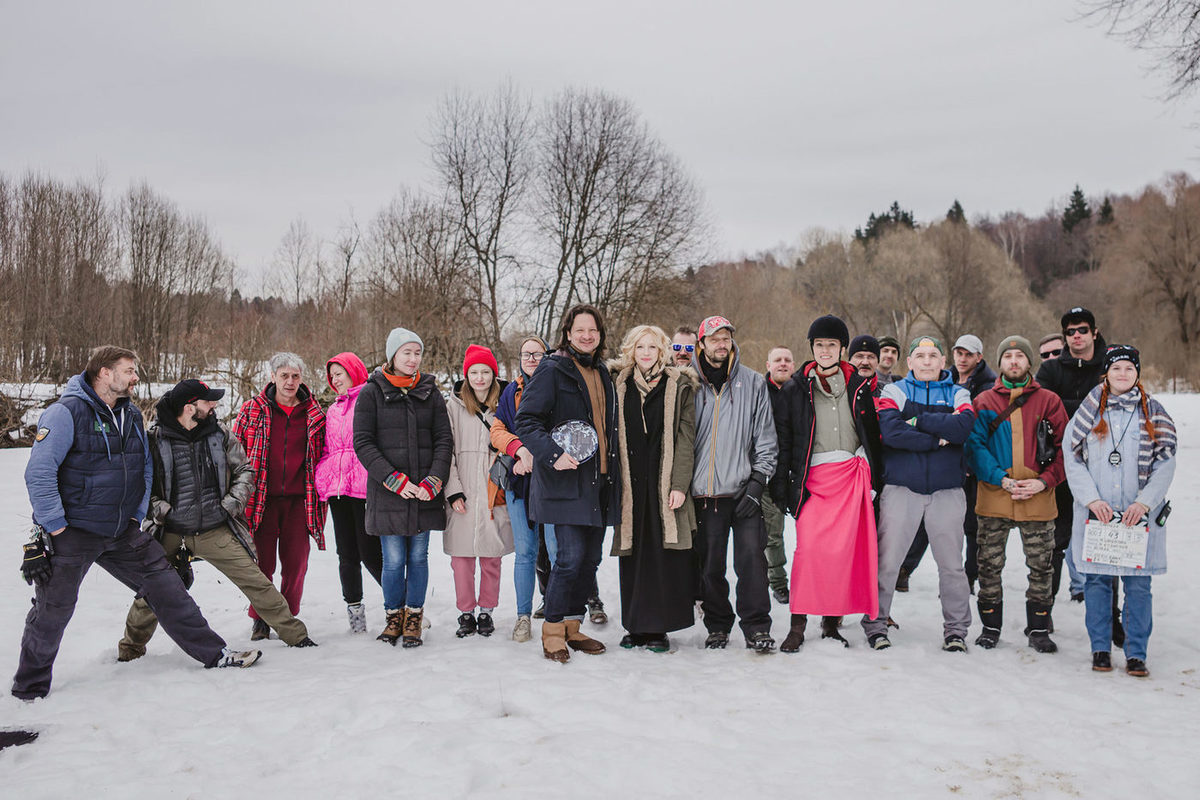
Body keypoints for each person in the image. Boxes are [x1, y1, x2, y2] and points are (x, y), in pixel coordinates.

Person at [15, 347, 259, 700]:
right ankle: (29, 687)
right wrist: (54, 525)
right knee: (54, 610)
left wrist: (136, 512)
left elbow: (144, 466)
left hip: (121, 530)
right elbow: (39, 473)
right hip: (73, 531)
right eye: (128, 370)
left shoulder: (129, 413)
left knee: (168, 586)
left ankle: (215, 654)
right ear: (104, 373)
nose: (135, 377)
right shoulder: (66, 412)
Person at [118, 380, 316, 660]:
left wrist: (230, 506)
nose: (214, 406)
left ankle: (297, 636)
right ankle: (130, 649)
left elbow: (245, 470)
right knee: (152, 590)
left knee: (256, 581)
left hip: (215, 528)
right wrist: (163, 511)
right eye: (208, 402)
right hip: (170, 531)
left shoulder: (219, 434)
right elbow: (140, 486)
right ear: (190, 408)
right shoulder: (154, 439)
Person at [515, 304, 619, 662]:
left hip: (598, 481)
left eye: (593, 330)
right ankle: (553, 630)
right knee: (569, 559)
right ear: (568, 333)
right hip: (564, 482)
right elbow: (526, 421)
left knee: (590, 560)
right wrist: (552, 453)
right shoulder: (552, 370)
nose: (587, 336)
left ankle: (573, 627)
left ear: (600, 335)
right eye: (580, 330)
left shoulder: (603, 372)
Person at [1065, 345, 1176, 677]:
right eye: (1116, 369)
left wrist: (1144, 502)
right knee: (1097, 581)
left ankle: (1136, 652)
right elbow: (1072, 456)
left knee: (1138, 585)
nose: (1123, 374)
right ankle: (1100, 647)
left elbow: (1165, 461)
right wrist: (1091, 500)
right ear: (1107, 373)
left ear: (1137, 374)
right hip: (1098, 513)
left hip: (1137, 516)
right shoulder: (1089, 411)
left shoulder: (1153, 412)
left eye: (1129, 369)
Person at [774, 316, 883, 651]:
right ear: (812, 348)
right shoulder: (795, 388)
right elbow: (785, 441)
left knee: (842, 555)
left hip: (850, 478)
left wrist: (873, 471)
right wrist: (784, 487)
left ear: (842, 349)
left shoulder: (858, 387)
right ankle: (797, 623)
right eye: (819, 345)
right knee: (809, 554)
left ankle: (831, 624)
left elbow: (873, 433)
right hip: (814, 481)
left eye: (831, 345)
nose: (825, 350)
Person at [861, 337, 975, 652]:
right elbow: (890, 432)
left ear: (942, 361)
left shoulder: (958, 392)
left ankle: (956, 630)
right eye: (920, 356)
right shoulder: (895, 391)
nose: (926, 361)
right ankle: (876, 624)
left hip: (947, 490)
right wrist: (936, 438)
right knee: (888, 561)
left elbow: (963, 427)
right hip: (901, 488)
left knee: (952, 565)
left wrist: (918, 421)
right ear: (909, 362)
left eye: (933, 356)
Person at [966, 335, 1069, 653]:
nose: (1014, 361)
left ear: (1029, 362)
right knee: (989, 565)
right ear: (1000, 363)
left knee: (1041, 565)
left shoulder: (1049, 400)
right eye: (1008, 356)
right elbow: (974, 446)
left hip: (1037, 496)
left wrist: (1045, 481)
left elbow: (1067, 449)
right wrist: (1001, 478)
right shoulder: (984, 401)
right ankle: (990, 627)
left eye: (1019, 356)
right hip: (995, 495)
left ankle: (1039, 628)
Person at [354, 328, 451, 647]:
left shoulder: (430, 392)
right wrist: (394, 480)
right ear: (392, 355)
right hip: (389, 493)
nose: (412, 359)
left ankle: (414, 619)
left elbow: (443, 440)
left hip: (424, 492)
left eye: (417, 353)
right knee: (393, 559)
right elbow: (363, 443)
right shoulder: (372, 392)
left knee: (419, 557)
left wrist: (433, 481)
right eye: (406, 353)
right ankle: (393, 617)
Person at [690, 315, 777, 652]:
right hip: (705, 494)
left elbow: (766, 439)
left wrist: (757, 483)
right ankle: (717, 624)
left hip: (743, 492)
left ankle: (756, 626)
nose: (721, 344)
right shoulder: (687, 385)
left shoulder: (753, 382)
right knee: (710, 566)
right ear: (702, 344)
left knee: (752, 563)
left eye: (726, 338)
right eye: (714, 339)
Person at [610, 325, 698, 652]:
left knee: (663, 556)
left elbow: (686, 440)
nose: (646, 353)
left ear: (662, 351)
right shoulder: (618, 385)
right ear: (631, 350)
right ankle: (635, 626)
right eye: (640, 347)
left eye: (653, 347)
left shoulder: (680, 385)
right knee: (633, 555)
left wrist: (679, 485)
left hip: (664, 481)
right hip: (630, 482)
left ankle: (659, 628)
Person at [233, 352, 327, 641]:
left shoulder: (315, 415)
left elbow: (324, 456)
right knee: (261, 564)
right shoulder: (252, 411)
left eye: (295, 376)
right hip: (261, 498)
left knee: (296, 562)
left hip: (301, 501)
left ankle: (287, 615)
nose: (290, 382)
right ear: (272, 377)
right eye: (284, 375)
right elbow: (233, 453)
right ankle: (260, 617)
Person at [899, 334, 997, 592]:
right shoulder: (944, 377)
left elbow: (966, 425)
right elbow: (938, 420)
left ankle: (969, 576)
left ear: (979, 357)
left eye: (969, 354)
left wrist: (946, 423)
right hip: (943, 460)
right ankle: (906, 568)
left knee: (971, 525)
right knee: (925, 522)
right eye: (959, 353)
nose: (963, 359)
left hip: (973, 461)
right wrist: (943, 423)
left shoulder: (988, 384)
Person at [1036, 308, 1108, 611]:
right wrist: (1093, 405)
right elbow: (1040, 406)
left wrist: (1064, 407)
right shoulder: (1052, 370)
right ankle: (1043, 612)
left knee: (1103, 543)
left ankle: (1107, 614)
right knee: (1055, 542)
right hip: (1061, 467)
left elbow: (1118, 404)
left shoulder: (1110, 364)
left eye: (1081, 329)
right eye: (1070, 331)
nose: (1076, 335)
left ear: (1093, 331)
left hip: (1105, 469)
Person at [445, 345, 514, 639]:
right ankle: (465, 612)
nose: (480, 377)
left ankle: (486, 610)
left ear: (494, 374)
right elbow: (445, 451)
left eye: (486, 371)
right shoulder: (453, 406)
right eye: (474, 372)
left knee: (491, 555)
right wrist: (453, 490)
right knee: (461, 558)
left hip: (493, 488)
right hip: (462, 489)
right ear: (466, 375)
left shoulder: (506, 404)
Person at [315, 352, 382, 634]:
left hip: (364, 487)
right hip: (338, 489)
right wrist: (324, 475)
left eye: (339, 373)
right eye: (331, 375)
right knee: (346, 554)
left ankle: (401, 603)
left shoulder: (370, 400)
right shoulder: (332, 410)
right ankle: (355, 611)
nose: (334, 380)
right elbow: (329, 449)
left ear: (354, 372)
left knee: (370, 552)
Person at [491, 335, 551, 642]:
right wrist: (517, 450)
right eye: (526, 354)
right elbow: (497, 429)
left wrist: (535, 456)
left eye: (538, 354)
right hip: (519, 482)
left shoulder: (557, 386)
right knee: (525, 553)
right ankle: (522, 616)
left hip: (552, 481)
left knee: (556, 550)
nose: (531, 359)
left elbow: (562, 430)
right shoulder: (511, 391)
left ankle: (560, 615)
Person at [763, 345, 796, 604]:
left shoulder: (800, 392)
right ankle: (777, 581)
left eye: (787, 360)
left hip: (795, 472)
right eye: (778, 360)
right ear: (768, 365)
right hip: (765, 473)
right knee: (771, 533)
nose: (782, 364)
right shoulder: (758, 392)